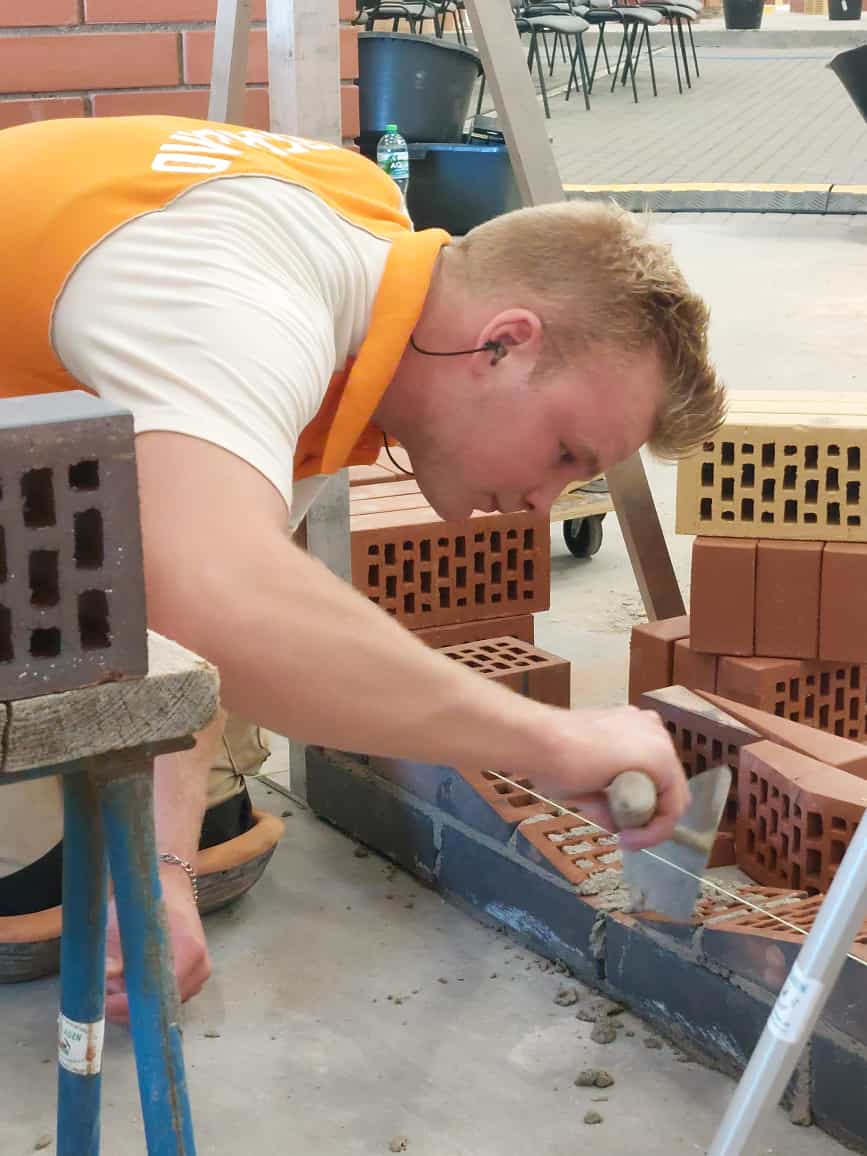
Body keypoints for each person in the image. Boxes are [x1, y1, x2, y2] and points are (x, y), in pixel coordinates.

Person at [0, 114, 725, 1023]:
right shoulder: (242, 301)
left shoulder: (368, 266)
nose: (546, 504)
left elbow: (190, 615)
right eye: (565, 453)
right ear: (502, 343)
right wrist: (547, 741)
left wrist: (158, 870)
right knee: (32, 873)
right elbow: (223, 596)